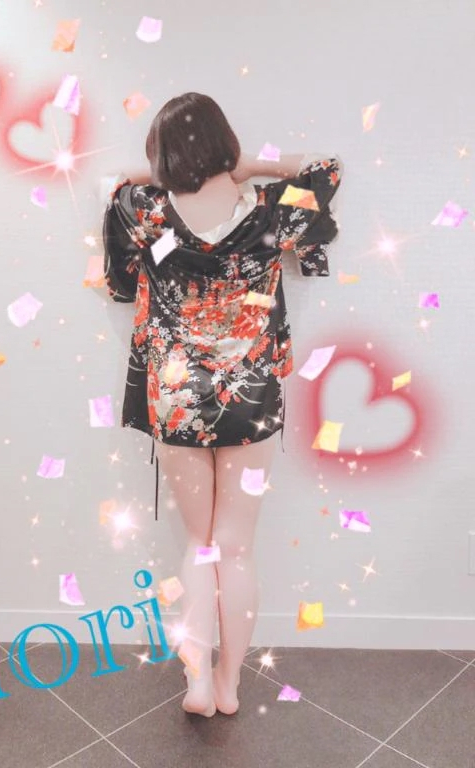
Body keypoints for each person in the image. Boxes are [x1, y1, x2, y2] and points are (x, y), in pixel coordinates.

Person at [102, 92, 343, 717]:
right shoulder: (270, 211)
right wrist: (248, 167)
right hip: (250, 400)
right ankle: (230, 682)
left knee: (199, 546)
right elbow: (326, 167)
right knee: (236, 547)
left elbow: (120, 270)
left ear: (161, 154)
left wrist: (155, 174)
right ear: (225, 145)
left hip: (177, 399)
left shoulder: (143, 209)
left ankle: (198, 684)